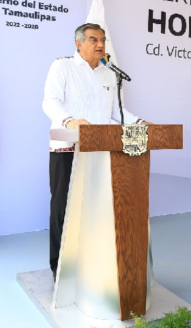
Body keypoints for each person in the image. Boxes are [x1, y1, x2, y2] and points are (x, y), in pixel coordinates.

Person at [42, 23, 151, 278]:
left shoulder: (109, 74)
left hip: (102, 150)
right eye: (93, 39)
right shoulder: (62, 66)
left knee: (97, 208)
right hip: (68, 149)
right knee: (64, 209)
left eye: (102, 40)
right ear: (78, 43)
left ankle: (92, 266)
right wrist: (69, 121)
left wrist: (140, 123)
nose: (100, 44)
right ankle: (61, 269)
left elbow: (116, 112)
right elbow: (50, 101)